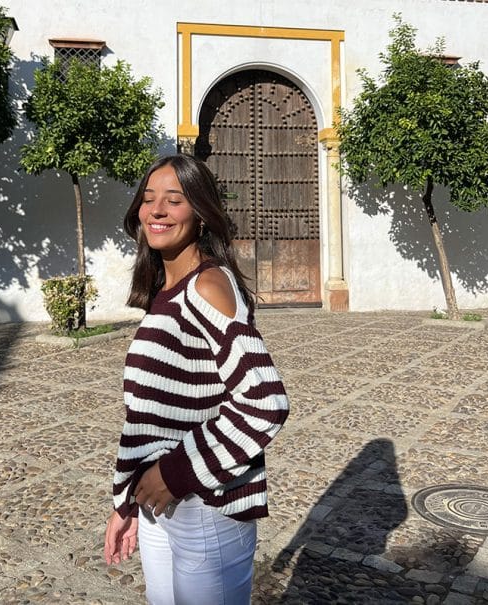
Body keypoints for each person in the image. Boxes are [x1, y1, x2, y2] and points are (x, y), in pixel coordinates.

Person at [103, 154, 289, 605]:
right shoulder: (166, 292)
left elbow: (265, 401)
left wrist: (176, 473)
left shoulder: (208, 287)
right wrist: (126, 501)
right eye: (148, 200)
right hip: (158, 506)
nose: (157, 211)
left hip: (208, 508)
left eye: (174, 200)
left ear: (201, 213)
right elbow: (146, 416)